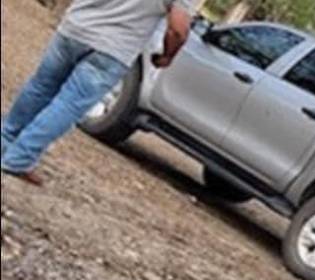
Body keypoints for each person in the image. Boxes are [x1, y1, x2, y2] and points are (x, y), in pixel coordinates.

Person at [0, 0, 192, 185]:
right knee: (68, 105)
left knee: (40, 88)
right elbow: (178, 30)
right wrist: (167, 56)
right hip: (112, 49)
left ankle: (4, 141)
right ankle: (19, 158)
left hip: (75, 27)